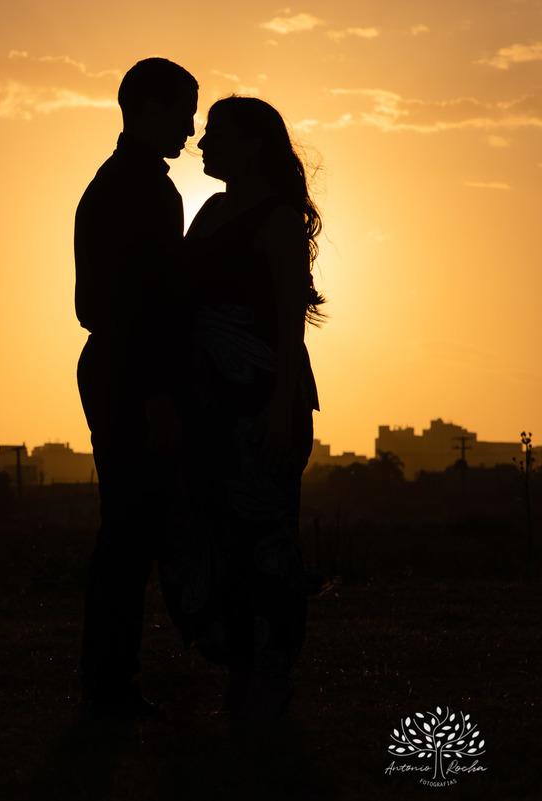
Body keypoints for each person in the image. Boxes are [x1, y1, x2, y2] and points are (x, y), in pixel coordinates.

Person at [159, 95, 324, 722]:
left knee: (266, 544)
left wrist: (280, 405)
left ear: (254, 144)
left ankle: (268, 680)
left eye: (218, 134)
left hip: (260, 400)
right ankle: (239, 675)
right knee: (214, 539)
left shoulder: (278, 219)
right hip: (205, 403)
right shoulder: (210, 210)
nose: (203, 145)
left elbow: (288, 322)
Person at [74, 57, 198, 721]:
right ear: (151, 109)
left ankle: (111, 681)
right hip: (131, 372)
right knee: (129, 533)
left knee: (130, 530)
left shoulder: (123, 182)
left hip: (120, 366)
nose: (191, 128)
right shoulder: (140, 189)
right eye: (184, 112)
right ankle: (110, 684)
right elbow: (132, 305)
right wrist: (156, 395)